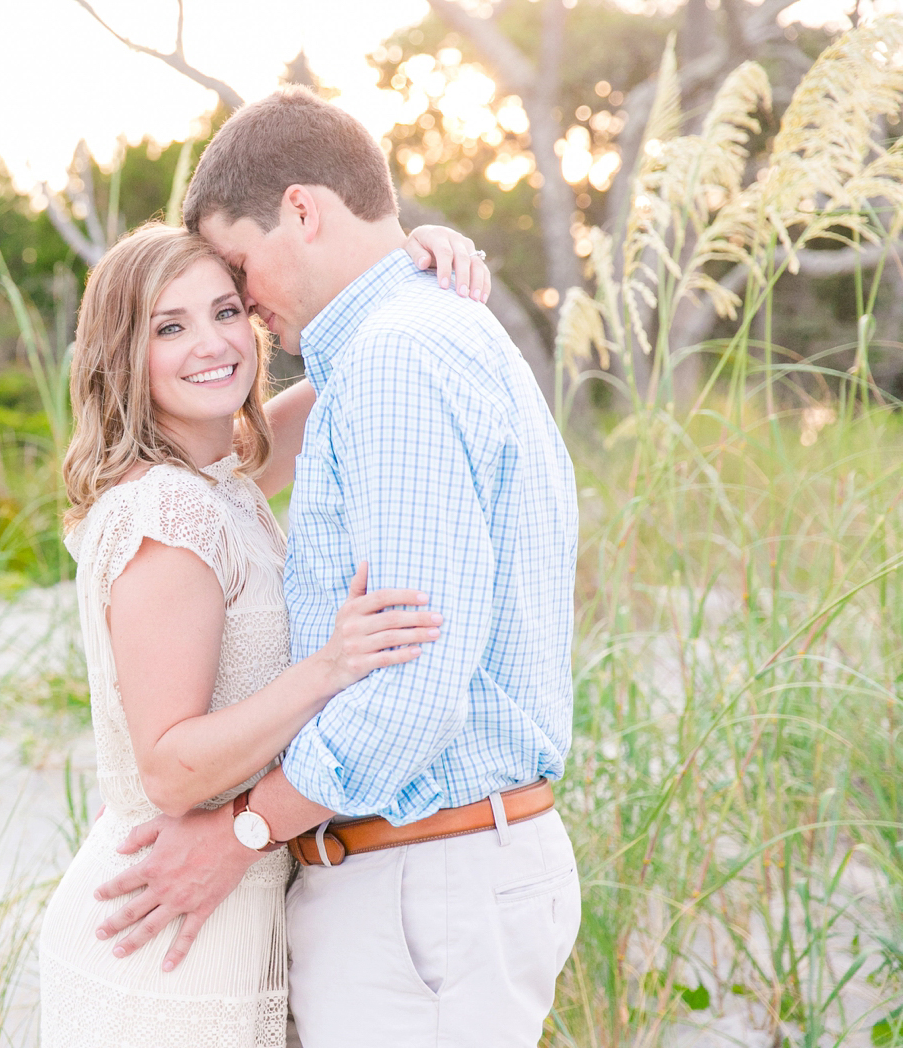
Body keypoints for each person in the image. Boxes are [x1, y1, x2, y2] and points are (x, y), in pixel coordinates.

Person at [88, 88, 582, 1048]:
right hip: (424, 884)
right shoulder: (404, 344)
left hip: (419, 886)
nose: (244, 319)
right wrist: (407, 258)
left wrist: (242, 833)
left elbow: (411, 692)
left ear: (303, 211)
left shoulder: (397, 361)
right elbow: (224, 463)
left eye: (236, 275)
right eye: (175, 323)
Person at [39, 219, 490, 1048]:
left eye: (225, 311)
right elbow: (171, 770)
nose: (211, 344)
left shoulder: (218, 474)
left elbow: (360, 365)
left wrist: (410, 257)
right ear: (120, 355)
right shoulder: (168, 513)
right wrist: (327, 668)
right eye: (169, 327)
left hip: (218, 906)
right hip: (167, 937)